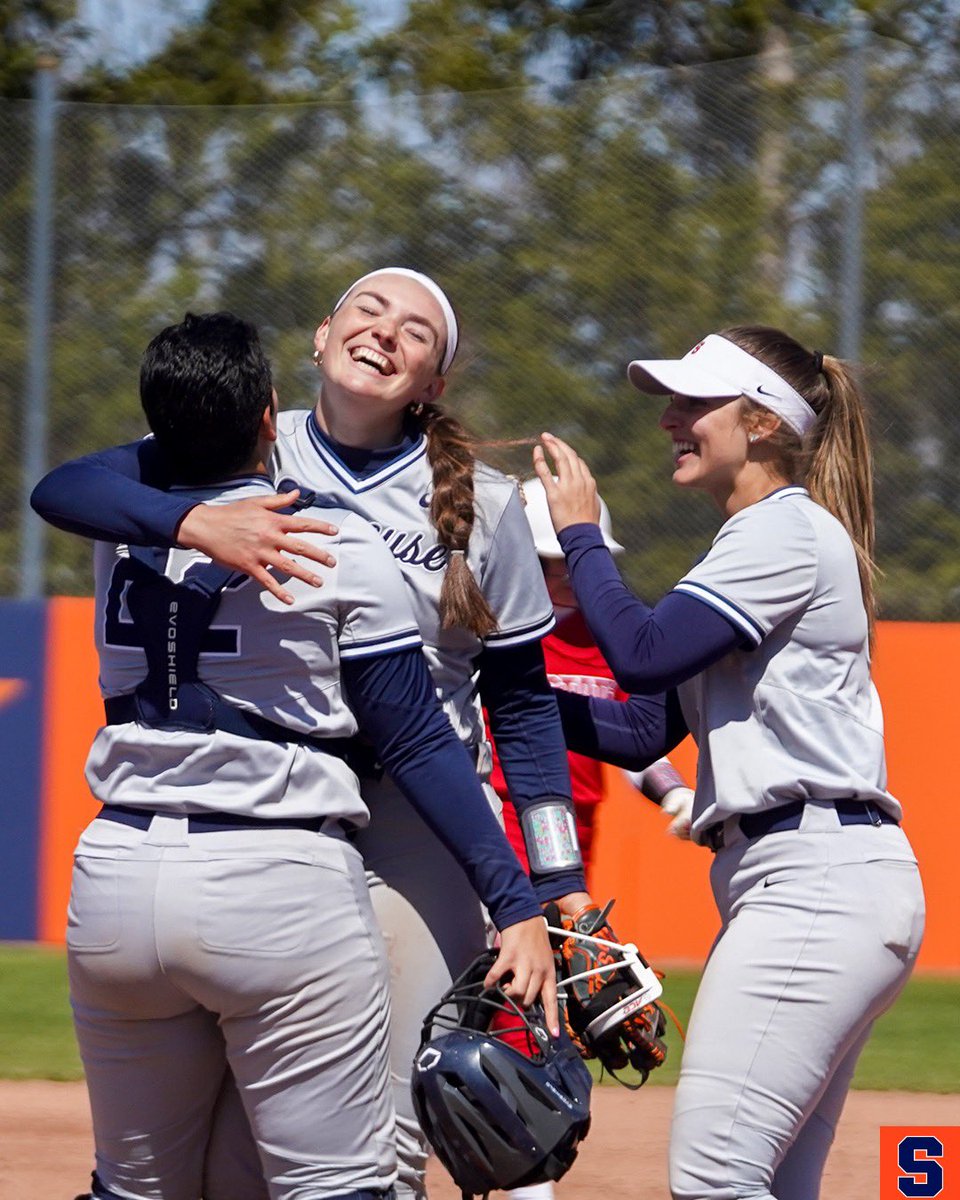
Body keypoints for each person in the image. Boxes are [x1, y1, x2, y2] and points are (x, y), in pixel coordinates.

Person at [31, 270, 593, 1200]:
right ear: (322, 336)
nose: (385, 331)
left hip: (418, 822)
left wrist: (553, 878)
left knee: (388, 1138)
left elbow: (522, 706)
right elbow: (69, 489)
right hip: (280, 817)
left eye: (417, 330)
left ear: (434, 381)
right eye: (368, 309)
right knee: (243, 1155)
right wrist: (196, 520)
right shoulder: (239, 437)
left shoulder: (485, 504)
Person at [532, 326, 925, 1200]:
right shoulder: (755, 540)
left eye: (695, 401)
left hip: (814, 882)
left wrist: (581, 535)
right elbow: (642, 731)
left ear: (761, 422)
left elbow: (640, 655)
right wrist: (499, 692)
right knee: (771, 1185)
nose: (671, 418)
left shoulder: (780, 532)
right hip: (815, 878)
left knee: (715, 1178)